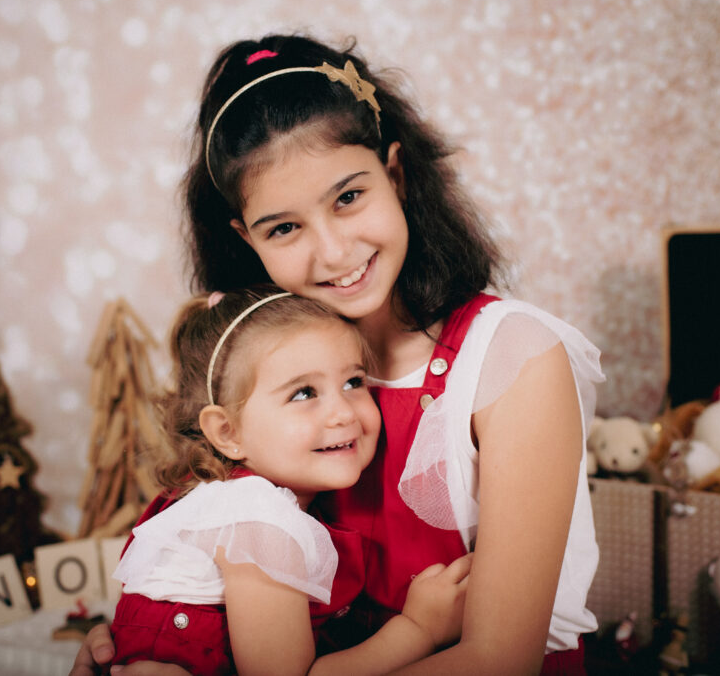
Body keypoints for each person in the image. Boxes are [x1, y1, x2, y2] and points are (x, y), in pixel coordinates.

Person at [72, 32, 604, 676]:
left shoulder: (514, 358)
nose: (332, 252)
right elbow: (221, 554)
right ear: (247, 239)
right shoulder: (258, 371)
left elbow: (499, 659)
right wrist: (150, 634)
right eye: (285, 228)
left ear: (396, 174)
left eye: (349, 197)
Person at [107, 286, 470, 675]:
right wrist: (419, 630)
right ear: (228, 432)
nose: (342, 413)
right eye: (304, 393)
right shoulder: (256, 519)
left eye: (353, 382)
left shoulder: (234, 499)